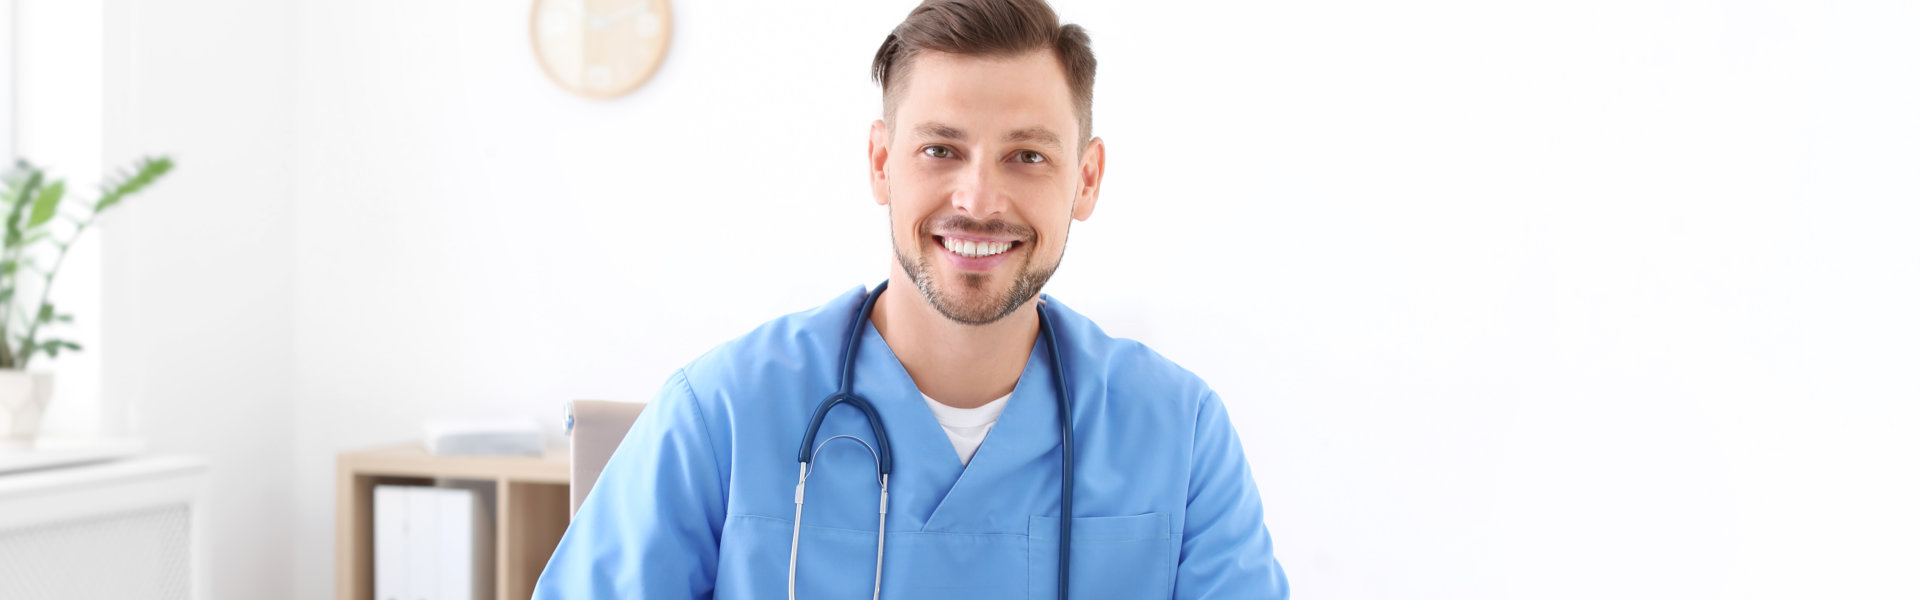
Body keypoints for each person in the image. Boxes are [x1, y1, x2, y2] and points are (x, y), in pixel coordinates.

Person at [533, 0, 1288, 597]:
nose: (980, 198)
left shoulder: (1179, 435)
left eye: (1027, 155)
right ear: (880, 162)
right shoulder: (723, 413)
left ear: (1086, 180)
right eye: (941, 149)